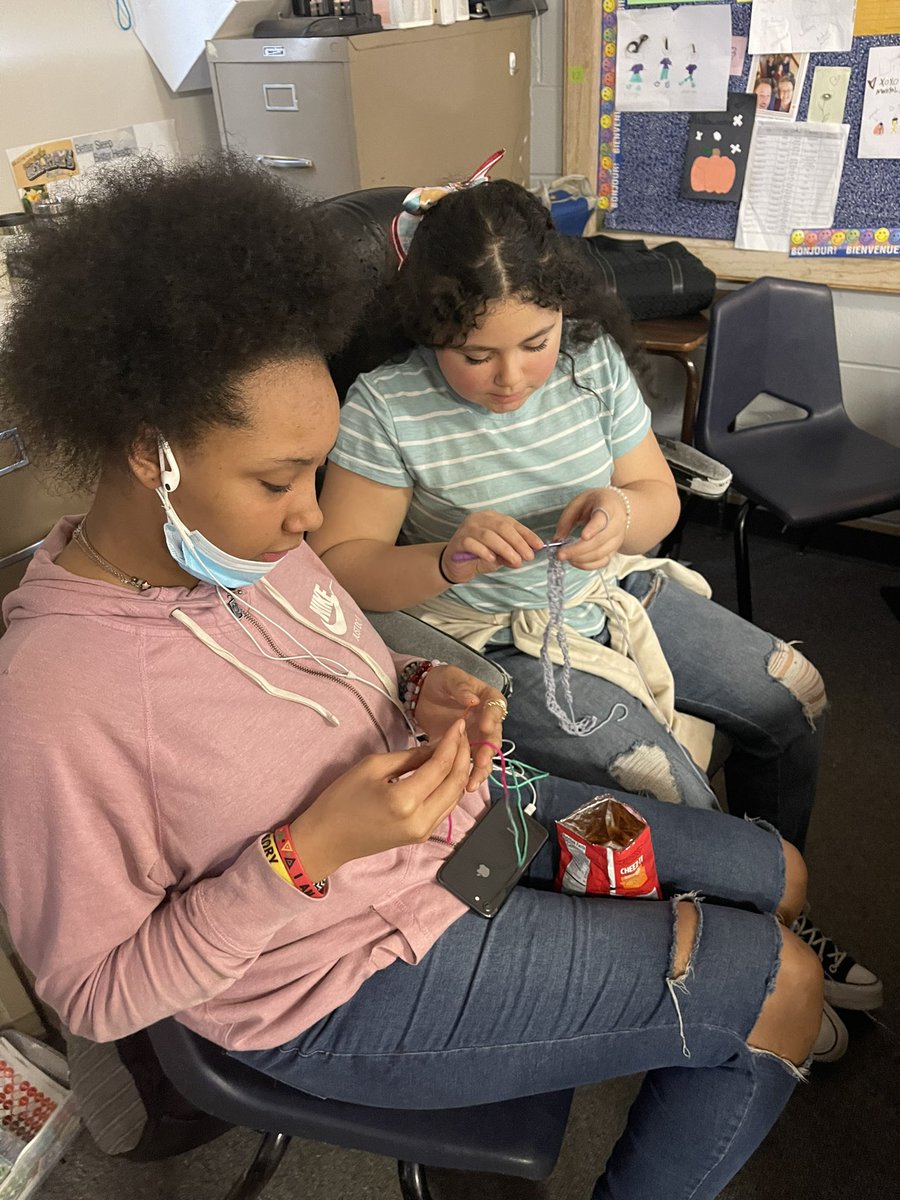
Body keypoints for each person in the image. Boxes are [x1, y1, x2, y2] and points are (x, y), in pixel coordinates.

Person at [0, 155, 824, 1200]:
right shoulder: (56, 699)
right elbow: (97, 994)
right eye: (277, 480)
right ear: (146, 451)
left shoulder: (249, 548)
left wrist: (416, 686)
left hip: (468, 827)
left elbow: (336, 666)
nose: (310, 516)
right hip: (343, 974)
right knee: (780, 987)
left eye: (314, 470)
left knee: (777, 872)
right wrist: (302, 857)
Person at [310, 171, 883, 1046]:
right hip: (497, 638)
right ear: (430, 329)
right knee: (666, 790)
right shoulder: (386, 405)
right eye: (474, 355)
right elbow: (342, 571)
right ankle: (762, 964)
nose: (510, 378)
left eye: (533, 343)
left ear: (563, 314)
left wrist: (619, 515)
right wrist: (444, 557)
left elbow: (655, 498)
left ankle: (779, 908)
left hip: (610, 590)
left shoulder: (591, 364)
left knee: (793, 694)